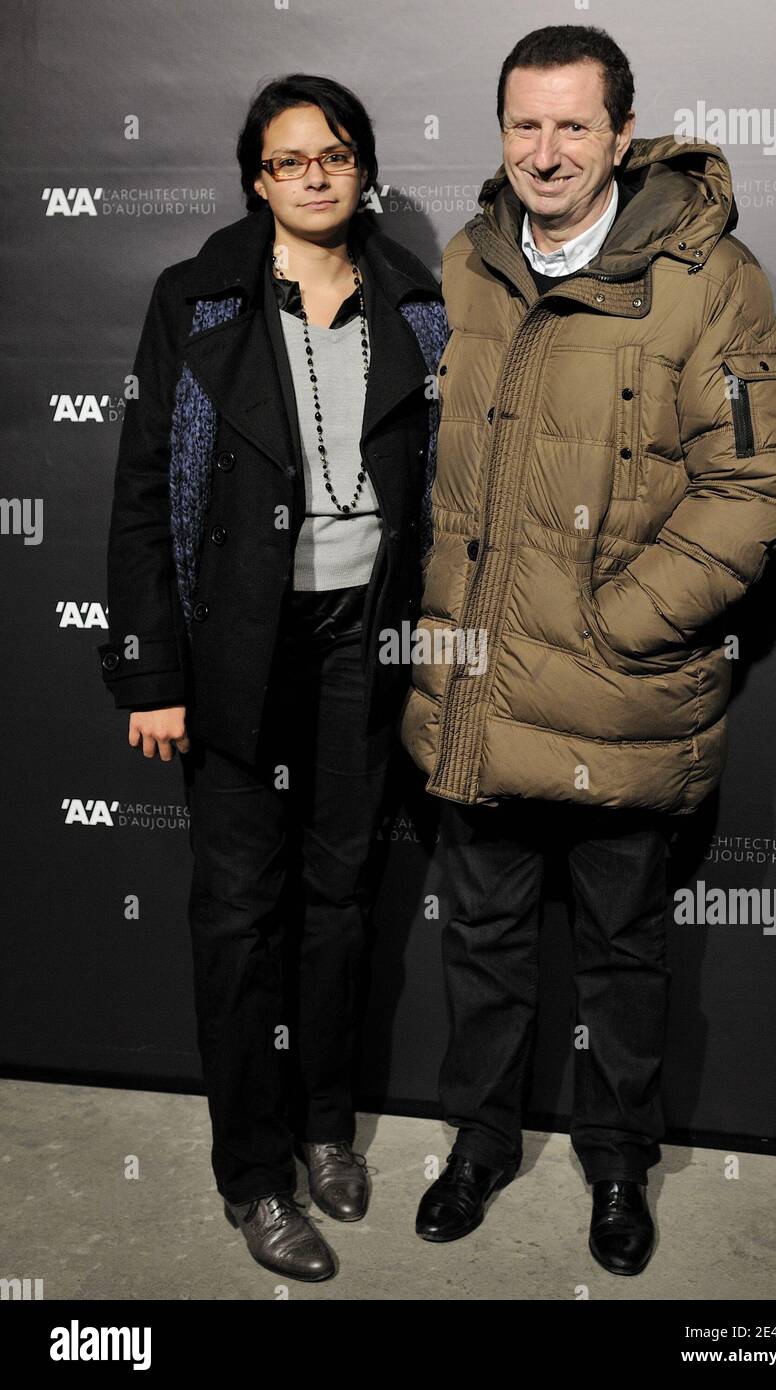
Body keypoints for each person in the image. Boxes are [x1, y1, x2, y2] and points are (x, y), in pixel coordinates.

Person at [400, 24, 776, 1275]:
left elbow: (753, 484)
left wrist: (617, 626)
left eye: (573, 125)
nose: (546, 150)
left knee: (624, 955)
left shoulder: (707, 275)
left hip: (622, 698)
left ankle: (616, 1168)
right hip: (476, 693)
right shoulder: (464, 269)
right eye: (524, 124)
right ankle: (475, 1145)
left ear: (623, 136)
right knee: (480, 943)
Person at [97, 73, 447, 1282]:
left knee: (343, 901)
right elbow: (144, 494)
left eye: (334, 155)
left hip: (365, 639)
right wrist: (150, 670)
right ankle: (255, 1174)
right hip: (239, 645)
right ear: (257, 177)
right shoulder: (193, 299)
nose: (313, 174)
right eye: (289, 158)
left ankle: (325, 1126)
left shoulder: (416, 302)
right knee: (241, 922)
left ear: (362, 171)